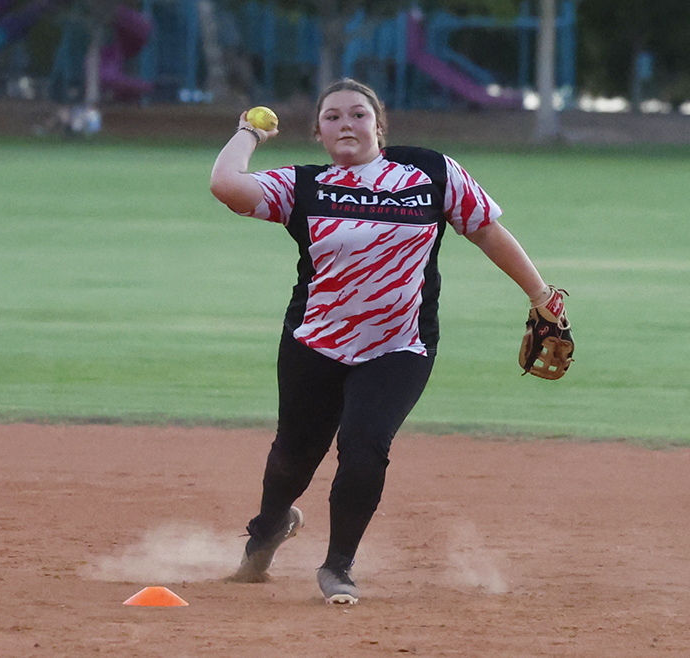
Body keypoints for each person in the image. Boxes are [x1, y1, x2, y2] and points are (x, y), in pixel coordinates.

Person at [209, 78, 565, 605]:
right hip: (315, 341)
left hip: (400, 345)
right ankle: (267, 532)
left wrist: (542, 296)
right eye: (332, 117)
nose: (346, 124)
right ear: (318, 133)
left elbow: (486, 230)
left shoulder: (430, 173)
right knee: (293, 457)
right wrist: (248, 132)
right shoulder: (303, 185)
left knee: (364, 447)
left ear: (380, 125)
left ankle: (338, 566)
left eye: (358, 114)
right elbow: (225, 184)